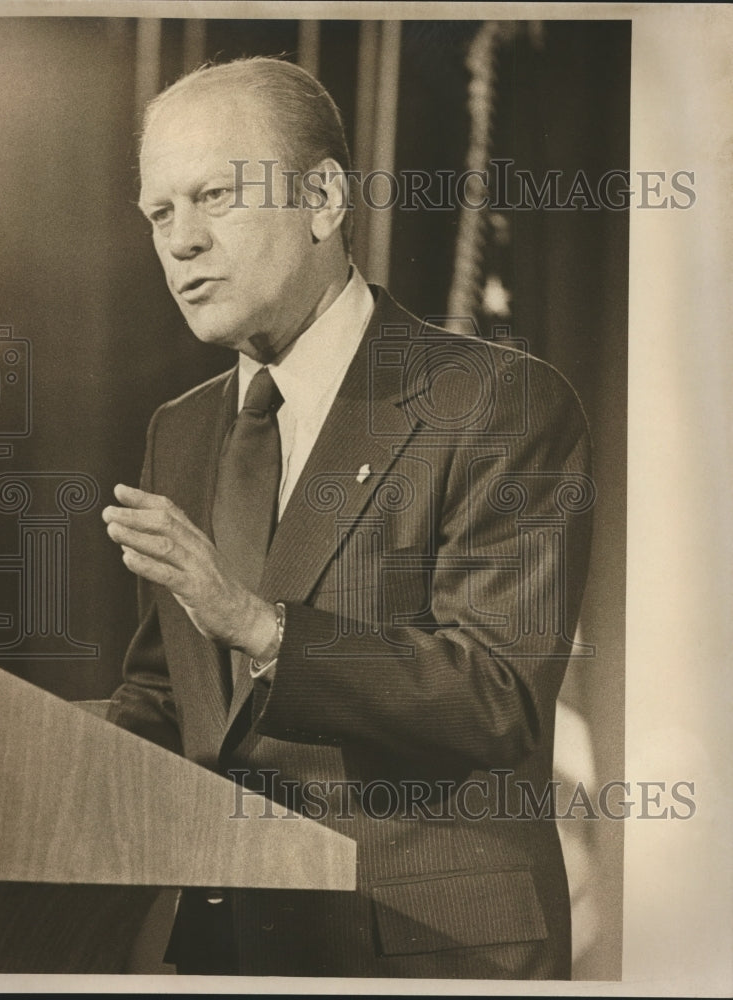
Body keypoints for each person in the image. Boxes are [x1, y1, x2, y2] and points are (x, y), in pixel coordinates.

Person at [102, 56, 594, 979]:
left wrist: (258, 625)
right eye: (159, 214)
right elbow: (175, 699)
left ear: (323, 197)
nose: (181, 242)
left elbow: (497, 695)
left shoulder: (496, 401)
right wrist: (0, 740)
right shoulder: (182, 429)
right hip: (231, 950)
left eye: (212, 195)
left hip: (428, 953)